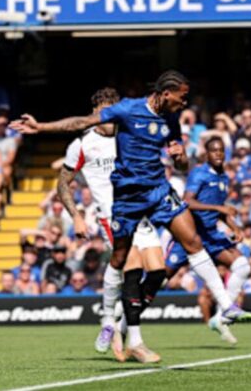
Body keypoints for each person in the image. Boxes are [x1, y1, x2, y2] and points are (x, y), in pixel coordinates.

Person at [10, 70, 251, 360]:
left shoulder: (171, 119)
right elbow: (83, 122)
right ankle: (109, 322)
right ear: (166, 94)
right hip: (126, 198)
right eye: (182, 97)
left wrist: (180, 158)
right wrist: (41, 128)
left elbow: (182, 165)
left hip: (159, 191)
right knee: (121, 260)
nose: (185, 103)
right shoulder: (127, 110)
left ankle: (225, 304)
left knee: (190, 242)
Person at [57, 88, 165, 363]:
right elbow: (63, 182)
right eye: (101, 113)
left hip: (140, 213)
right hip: (112, 216)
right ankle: (136, 341)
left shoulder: (128, 135)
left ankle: (116, 319)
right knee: (133, 268)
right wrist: (77, 215)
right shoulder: (82, 144)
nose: (106, 119)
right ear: (94, 113)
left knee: (157, 272)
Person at [164, 137, 250, 344]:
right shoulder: (199, 174)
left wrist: (235, 228)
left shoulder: (224, 178)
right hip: (189, 236)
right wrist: (218, 209)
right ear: (207, 154)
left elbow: (221, 210)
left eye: (221, 150)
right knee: (159, 277)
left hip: (210, 236)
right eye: (214, 151)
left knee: (242, 265)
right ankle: (125, 314)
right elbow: (187, 202)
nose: (218, 154)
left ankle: (222, 317)